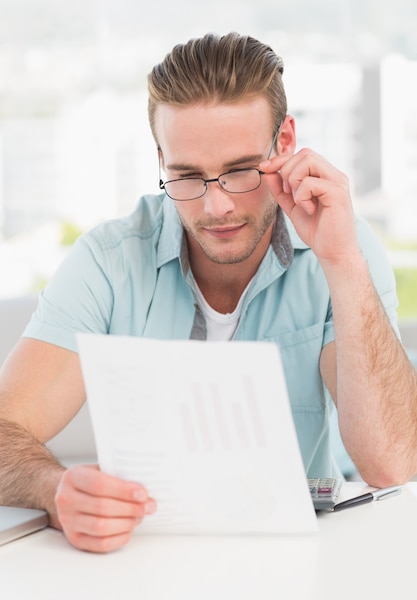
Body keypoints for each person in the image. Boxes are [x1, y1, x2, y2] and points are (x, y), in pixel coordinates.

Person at [1, 32, 416, 554]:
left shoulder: (344, 249)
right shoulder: (108, 261)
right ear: (160, 160)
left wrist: (343, 264)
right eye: (187, 176)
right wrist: (52, 487)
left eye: (241, 171)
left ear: (284, 144)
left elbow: (392, 463)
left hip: (301, 560)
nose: (216, 207)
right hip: (138, 561)